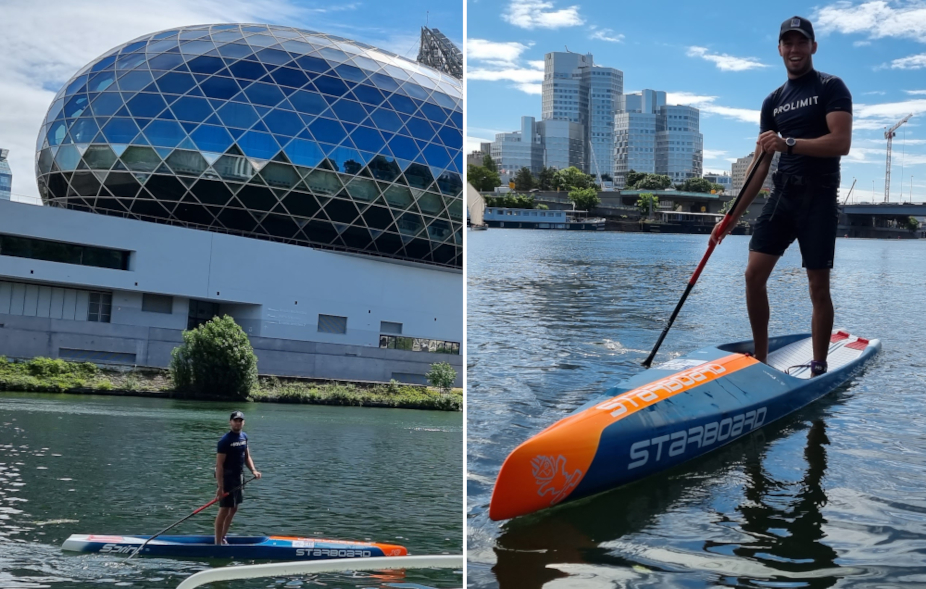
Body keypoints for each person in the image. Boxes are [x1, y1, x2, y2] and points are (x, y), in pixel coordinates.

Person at [711, 16, 852, 376]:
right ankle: (761, 356)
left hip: (819, 197)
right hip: (783, 196)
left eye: (801, 42)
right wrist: (730, 218)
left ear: (813, 47)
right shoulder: (772, 101)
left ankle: (818, 365)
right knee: (753, 275)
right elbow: (759, 168)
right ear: (779, 49)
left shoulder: (831, 87)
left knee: (817, 286)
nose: (794, 49)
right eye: (787, 43)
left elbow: (841, 142)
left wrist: (788, 144)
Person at [214, 410, 261, 545]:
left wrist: (253, 470)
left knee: (234, 508)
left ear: (243, 423)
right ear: (230, 422)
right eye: (235, 420)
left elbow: (247, 457)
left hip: (239, 477)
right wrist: (220, 487)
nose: (238, 423)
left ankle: (223, 536)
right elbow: (219, 466)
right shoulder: (224, 441)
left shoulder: (244, 437)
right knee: (224, 510)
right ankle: (217, 543)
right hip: (227, 478)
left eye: (240, 421)